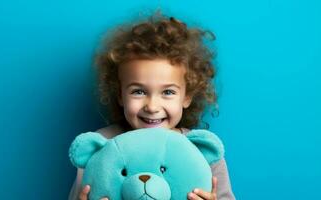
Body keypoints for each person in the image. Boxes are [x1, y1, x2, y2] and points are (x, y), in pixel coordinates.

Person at [68, 12, 235, 200]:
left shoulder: (200, 150)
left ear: (187, 97)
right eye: (138, 91)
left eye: (168, 92)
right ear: (120, 94)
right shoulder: (101, 146)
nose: (152, 106)